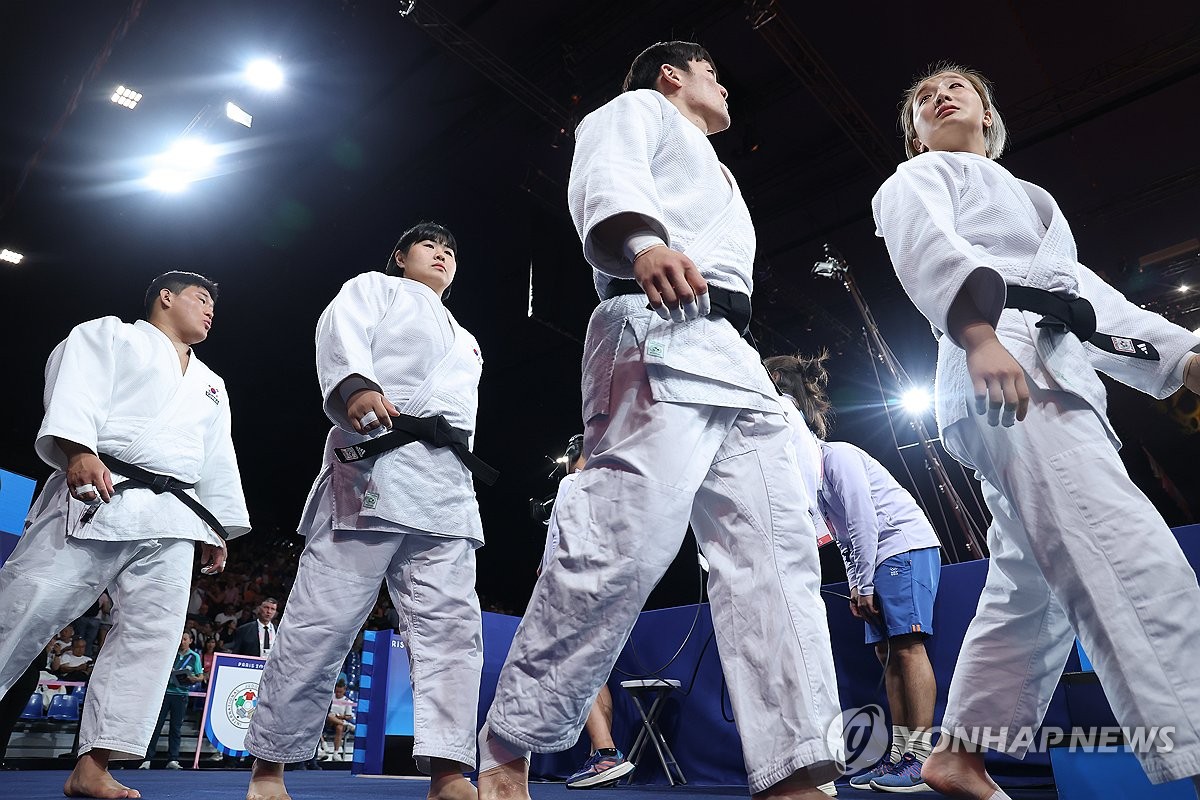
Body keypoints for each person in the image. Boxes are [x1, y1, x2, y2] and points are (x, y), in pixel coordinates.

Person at [478, 42, 841, 800]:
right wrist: (641, 243)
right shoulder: (636, 108)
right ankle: (510, 744)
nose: (725, 87)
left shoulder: (723, 172)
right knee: (622, 543)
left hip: (733, 355)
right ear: (674, 74)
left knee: (775, 558)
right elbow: (604, 176)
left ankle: (796, 768)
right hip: (657, 323)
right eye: (715, 71)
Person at [873, 64, 1200, 800]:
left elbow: (1092, 301)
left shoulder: (1032, 203)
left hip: (1047, 368)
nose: (939, 97)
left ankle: (960, 753)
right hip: (1004, 365)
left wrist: (1182, 359)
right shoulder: (915, 181)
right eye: (923, 99)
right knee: (1120, 549)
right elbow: (927, 251)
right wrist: (975, 330)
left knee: (1035, 580)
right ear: (914, 134)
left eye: (957, 88)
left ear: (988, 114)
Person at [245, 222, 491, 800]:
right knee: (320, 622)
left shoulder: (466, 338)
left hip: (446, 486)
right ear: (400, 257)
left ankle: (449, 770)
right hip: (376, 466)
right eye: (429, 246)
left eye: (451, 250)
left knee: (453, 633)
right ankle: (269, 767)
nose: (442, 254)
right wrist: (355, 387)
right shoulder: (373, 290)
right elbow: (340, 333)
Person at [0, 270, 251, 799]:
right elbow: (75, 390)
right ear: (166, 297)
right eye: (200, 299)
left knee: (150, 640)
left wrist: (215, 524)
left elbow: (216, 459)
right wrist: (78, 449)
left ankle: (94, 765)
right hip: (103, 488)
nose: (210, 311)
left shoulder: (211, 383)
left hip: (176, 516)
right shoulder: (110, 334)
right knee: (24, 607)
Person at [767, 352, 942, 793]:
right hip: (874, 561)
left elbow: (864, 521)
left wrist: (862, 582)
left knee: (907, 648)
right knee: (887, 655)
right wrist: (856, 584)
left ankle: (921, 759)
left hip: (903, 548)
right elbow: (842, 540)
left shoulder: (838, 456)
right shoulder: (814, 480)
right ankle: (900, 756)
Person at [536, 435, 635, 790]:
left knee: (577, 668)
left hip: (576, 583)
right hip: (614, 587)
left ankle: (605, 753)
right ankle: (601, 757)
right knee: (596, 672)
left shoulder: (572, 482)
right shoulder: (617, 485)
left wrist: (547, 575)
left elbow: (562, 536)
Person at [139, 631, 204, 770]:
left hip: (181, 695)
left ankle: (173, 759)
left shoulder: (194, 656)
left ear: (190, 641)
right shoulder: (171, 653)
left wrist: (193, 679)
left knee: (176, 728)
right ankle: (147, 759)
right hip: (164, 693)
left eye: (185, 639)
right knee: (156, 727)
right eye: (180, 638)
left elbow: (200, 676)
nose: (182, 641)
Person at [322, 679, 356, 761]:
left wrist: (340, 716)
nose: (338, 694)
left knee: (339, 728)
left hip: (339, 720)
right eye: (337, 691)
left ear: (344, 690)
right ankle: (346, 724)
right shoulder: (330, 698)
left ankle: (336, 753)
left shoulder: (347, 701)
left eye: (340, 692)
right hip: (328, 721)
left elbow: (349, 716)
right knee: (329, 716)